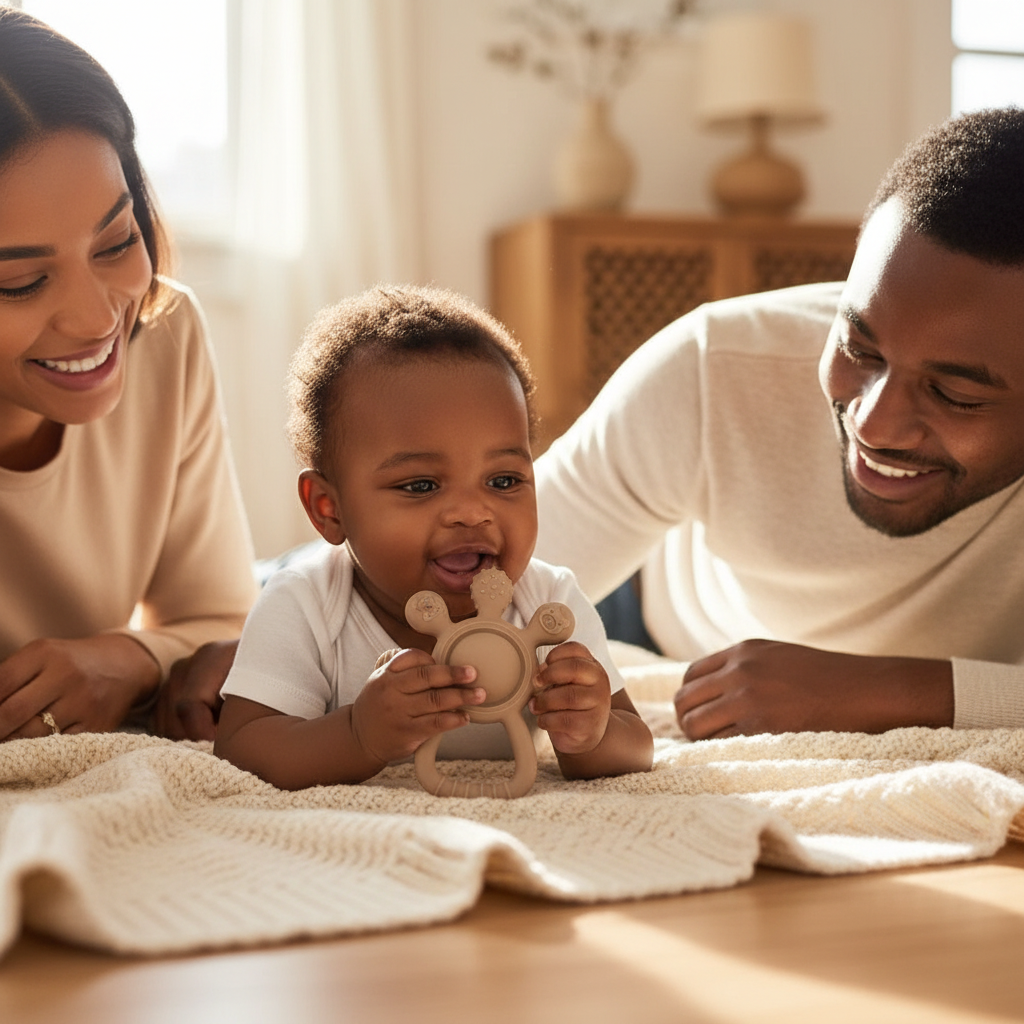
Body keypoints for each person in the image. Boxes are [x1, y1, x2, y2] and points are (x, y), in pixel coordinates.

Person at [534, 106, 1024, 738]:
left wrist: (880, 691)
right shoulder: (713, 363)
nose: (874, 424)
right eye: (859, 349)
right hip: (650, 618)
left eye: (954, 394)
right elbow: (471, 594)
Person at [213, 286, 653, 789]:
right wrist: (358, 735)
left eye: (504, 480)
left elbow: (636, 743)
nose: (472, 513)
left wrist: (592, 732)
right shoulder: (303, 604)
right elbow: (243, 747)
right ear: (328, 508)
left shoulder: (547, 602)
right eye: (421, 485)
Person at [0, 10, 257, 741]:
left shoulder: (164, 334)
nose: (93, 319)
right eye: (20, 281)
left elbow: (227, 624)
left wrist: (131, 658)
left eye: (117, 241)